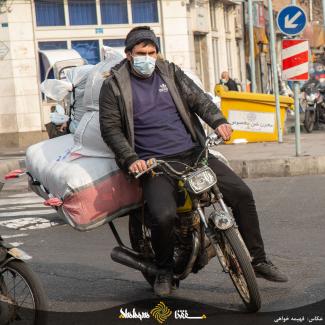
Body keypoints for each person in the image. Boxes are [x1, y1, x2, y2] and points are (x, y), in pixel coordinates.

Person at [99, 26, 288, 297]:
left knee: (242, 194)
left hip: (193, 154)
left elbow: (199, 99)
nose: (148, 58)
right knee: (163, 216)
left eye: (152, 52)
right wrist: (131, 159)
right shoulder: (114, 85)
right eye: (142, 53)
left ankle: (258, 261)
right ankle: (164, 271)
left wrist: (219, 121)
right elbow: (111, 128)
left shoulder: (169, 72)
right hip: (153, 165)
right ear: (129, 54)